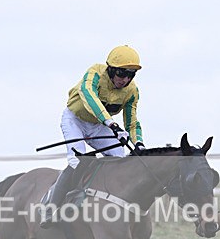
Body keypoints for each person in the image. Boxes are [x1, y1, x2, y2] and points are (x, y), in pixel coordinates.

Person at [41, 45, 147, 227]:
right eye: (121, 73)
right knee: (77, 161)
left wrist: (139, 144)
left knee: (120, 158)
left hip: (98, 126)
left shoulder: (132, 91)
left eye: (131, 75)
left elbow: (131, 122)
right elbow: (89, 97)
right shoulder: (95, 72)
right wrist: (111, 124)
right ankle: (51, 207)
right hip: (75, 120)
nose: (125, 79)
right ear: (111, 69)